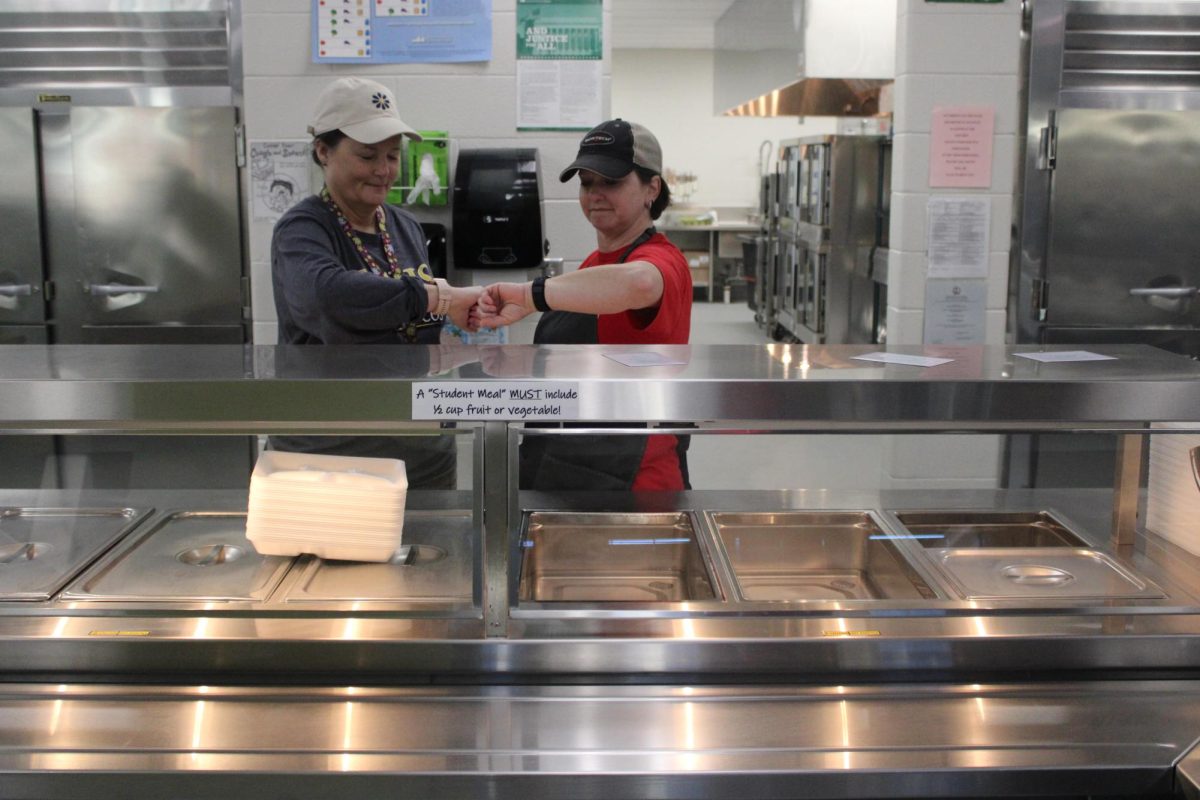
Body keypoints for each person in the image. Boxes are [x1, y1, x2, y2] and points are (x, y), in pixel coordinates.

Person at [270, 76, 481, 489]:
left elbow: (418, 325)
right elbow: (329, 298)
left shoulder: (404, 225)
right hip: (329, 458)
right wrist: (437, 296)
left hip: (419, 451)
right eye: (368, 156)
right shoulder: (303, 228)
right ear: (323, 151)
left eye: (392, 155)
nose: (384, 171)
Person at [474, 118, 692, 491]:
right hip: (564, 464)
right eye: (587, 183)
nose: (594, 194)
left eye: (611, 181)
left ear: (651, 189)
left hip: (631, 480)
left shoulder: (663, 260)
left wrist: (530, 296)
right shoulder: (593, 264)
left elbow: (639, 283)